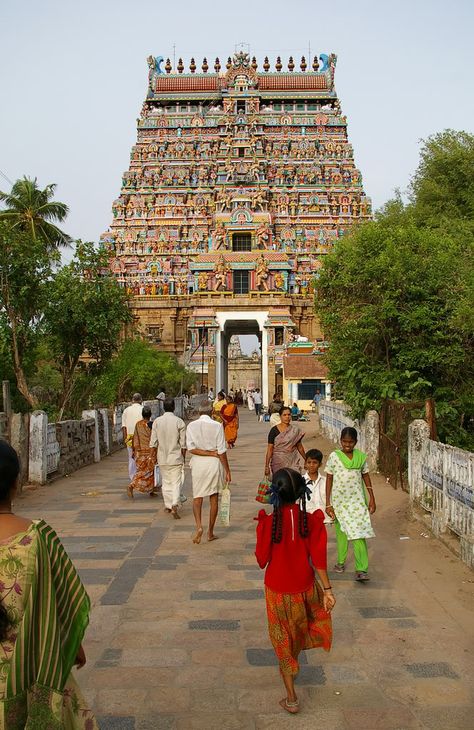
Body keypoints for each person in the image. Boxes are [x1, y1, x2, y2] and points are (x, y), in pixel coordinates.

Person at [0, 440, 98, 727]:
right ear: (15, 484)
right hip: (32, 669)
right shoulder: (39, 537)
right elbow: (66, 598)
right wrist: (73, 644)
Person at [255, 467, 335, 715]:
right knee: (298, 633)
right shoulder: (310, 521)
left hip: (277, 591)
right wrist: (328, 590)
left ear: (274, 495)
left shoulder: (269, 523)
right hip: (305, 588)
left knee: (282, 642)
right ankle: (294, 662)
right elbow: (319, 559)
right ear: (301, 493)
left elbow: (261, 559)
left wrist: (262, 526)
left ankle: (291, 697)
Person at [325, 427, 376, 581]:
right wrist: (328, 503)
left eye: (351, 442)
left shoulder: (361, 457)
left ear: (355, 442)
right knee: (341, 533)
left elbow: (366, 477)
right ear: (340, 441)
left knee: (359, 534)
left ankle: (362, 569)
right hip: (340, 502)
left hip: (357, 502)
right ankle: (340, 562)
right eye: (345, 441)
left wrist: (372, 497)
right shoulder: (334, 457)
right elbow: (329, 479)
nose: (347, 445)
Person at [186, 402, 232, 544]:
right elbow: (221, 451)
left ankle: (199, 526)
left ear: (199, 412)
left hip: (198, 463)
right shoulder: (217, 426)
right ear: (212, 411)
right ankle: (210, 532)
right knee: (213, 498)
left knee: (197, 497)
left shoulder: (191, 426)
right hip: (214, 463)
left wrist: (207, 453)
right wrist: (227, 470)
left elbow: (191, 448)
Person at [150, 397, 187, 519]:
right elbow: (183, 444)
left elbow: (153, 443)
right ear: (174, 407)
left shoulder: (157, 422)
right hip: (175, 457)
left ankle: (168, 504)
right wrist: (183, 457)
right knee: (176, 482)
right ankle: (175, 503)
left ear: (163, 407)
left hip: (162, 457)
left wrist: (152, 457)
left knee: (166, 482)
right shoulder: (179, 422)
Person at [265, 406, 306, 477]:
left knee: (294, 480)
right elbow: (270, 449)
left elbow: (300, 447)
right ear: (280, 416)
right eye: (284, 415)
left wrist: (306, 460)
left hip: (292, 461)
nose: (287, 417)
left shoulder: (295, 430)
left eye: (289, 415)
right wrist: (266, 466)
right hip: (278, 462)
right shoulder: (274, 430)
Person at [128, 406, 156, 499]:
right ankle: (132, 485)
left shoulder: (138, 424)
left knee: (144, 471)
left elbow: (135, 438)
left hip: (140, 452)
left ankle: (151, 490)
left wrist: (133, 450)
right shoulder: (152, 425)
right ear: (150, 415)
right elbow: (154, 439)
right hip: (150, 452)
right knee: (148, 472)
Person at [302, 449, 332, 523]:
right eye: (309, 462)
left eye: (315, 462)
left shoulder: (325, 481)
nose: (311, 465)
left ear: (320, 464)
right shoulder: (300, 481)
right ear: (305, 463)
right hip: (306, 520)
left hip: (325, 520)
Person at [122, 393, 143, 481]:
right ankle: (141, 476)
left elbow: (124, 427)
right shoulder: (143, 409)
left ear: (132, 400)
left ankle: (133, 478)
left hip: (129, 437)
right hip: (141, 437)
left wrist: (125, 439)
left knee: (131, 458)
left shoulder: (126, 410)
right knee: (141, 457)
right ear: (141, 400)